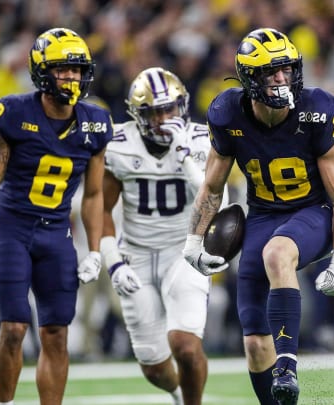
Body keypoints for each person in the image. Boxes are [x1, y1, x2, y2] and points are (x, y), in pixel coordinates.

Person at [182, 28, 334, 405]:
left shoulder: (317, 109)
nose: (281, 78)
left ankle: (288, 367)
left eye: (286, 69)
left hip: (315, 211)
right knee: (256, 344)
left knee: (278, 254)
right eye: (270, 72)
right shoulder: (228, 112)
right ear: (249, 77)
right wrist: (193, 241)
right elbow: (212, 186)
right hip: (262, 215)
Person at [0, 28, 112, 405]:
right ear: (42, 72)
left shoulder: (95, 123)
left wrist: (94, 250)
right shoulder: (14, 113)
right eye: (63, 69)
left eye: (77, 70)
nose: (73, 78)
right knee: (14, 328)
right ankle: (6, 403)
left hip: (56, 234)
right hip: (11, 227)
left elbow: (94, 194)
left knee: (56, 333)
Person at [101, 67, 213, 405]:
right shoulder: (118, 146)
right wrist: (113, 263)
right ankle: (178, 395)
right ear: (137, 116)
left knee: (186, 346)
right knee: (154, 367)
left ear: (183, 105)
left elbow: (214, 201)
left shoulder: (202, 140)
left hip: (184, 251)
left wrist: (184, 157)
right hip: (135, 255)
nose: (164, 119)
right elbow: (101, 210)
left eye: (170, 109)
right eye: (154, 113)